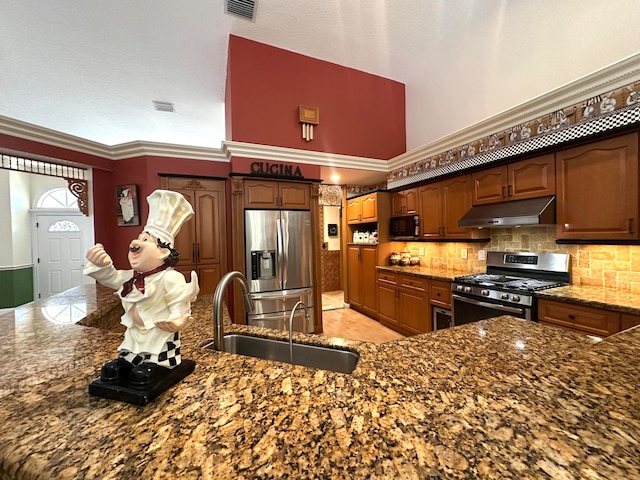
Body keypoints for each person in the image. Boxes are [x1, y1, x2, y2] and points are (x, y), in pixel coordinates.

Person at [84, 190, 199, 388]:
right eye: (139, 237)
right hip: (135, 332)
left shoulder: (170, 278)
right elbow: (112, 277)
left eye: (146, 240)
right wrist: (102, 265)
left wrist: (178, 320)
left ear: (163, 252)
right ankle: (128, 359)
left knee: (153, 360)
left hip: (160, 334)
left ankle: (159, 364)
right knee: (120, 364)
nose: (136, 243)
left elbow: (179, 303)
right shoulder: (131, 277)